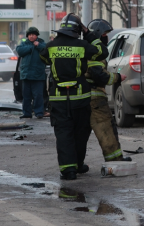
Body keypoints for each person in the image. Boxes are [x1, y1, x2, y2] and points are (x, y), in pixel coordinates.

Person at [40, 13, 107, 181]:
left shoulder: (51, 46)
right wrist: (89, 33)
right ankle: (78, 164)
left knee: (63, 134)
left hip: (58, 100)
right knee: (80, 132)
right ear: (78, 30)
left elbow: (43, 58)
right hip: (80, 98)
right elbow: (102, 52)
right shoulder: (83, 45)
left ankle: (68, 170)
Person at [85, 19, 130, 163]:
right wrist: (117, 77)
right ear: (98, 35)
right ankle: (115, 159)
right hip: (95, 99)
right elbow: (98, 75)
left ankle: (76, 165)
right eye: (104, 34)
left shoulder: (84, 47)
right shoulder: (94, 51)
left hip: (81, 98)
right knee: (106, 129)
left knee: (80, 134)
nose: (107, 37)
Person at [17, 27, 48, 119]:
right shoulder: (24, 44)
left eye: (33, 35)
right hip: (26, 75)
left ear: (36, 36)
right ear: (27, 36)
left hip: (38, 75)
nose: (31, 36)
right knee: (26, 96)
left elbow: (46, 50)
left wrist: (38, 46)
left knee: (38, 95)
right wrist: (32, 47)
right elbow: (20, 51)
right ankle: (27, 113)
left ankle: (39, 112)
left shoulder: (42, 43)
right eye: (30, 35)